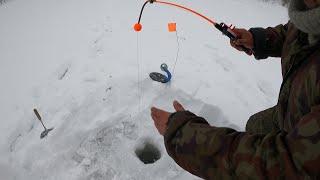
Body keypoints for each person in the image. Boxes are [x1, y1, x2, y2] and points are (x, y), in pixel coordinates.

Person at [150, 0, 320, 178]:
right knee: (255, 124)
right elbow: (296, 32)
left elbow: (283, 166)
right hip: (290, 110)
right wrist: (258, 39)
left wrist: (182, 135)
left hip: (297, 146)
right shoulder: (308, 10)